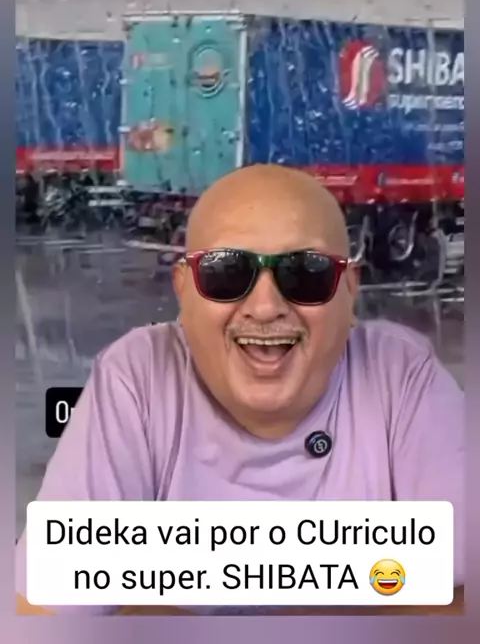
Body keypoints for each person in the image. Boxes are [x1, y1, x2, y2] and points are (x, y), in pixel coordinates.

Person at [16, 164, 464, 616]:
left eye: (306, 273)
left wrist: (154, 585)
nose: (266, 307)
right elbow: (49, 603)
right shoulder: (139, 376)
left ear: (349, 290)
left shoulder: (401, 376)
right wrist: (388, 570)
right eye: (226, 271)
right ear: (184, 291)